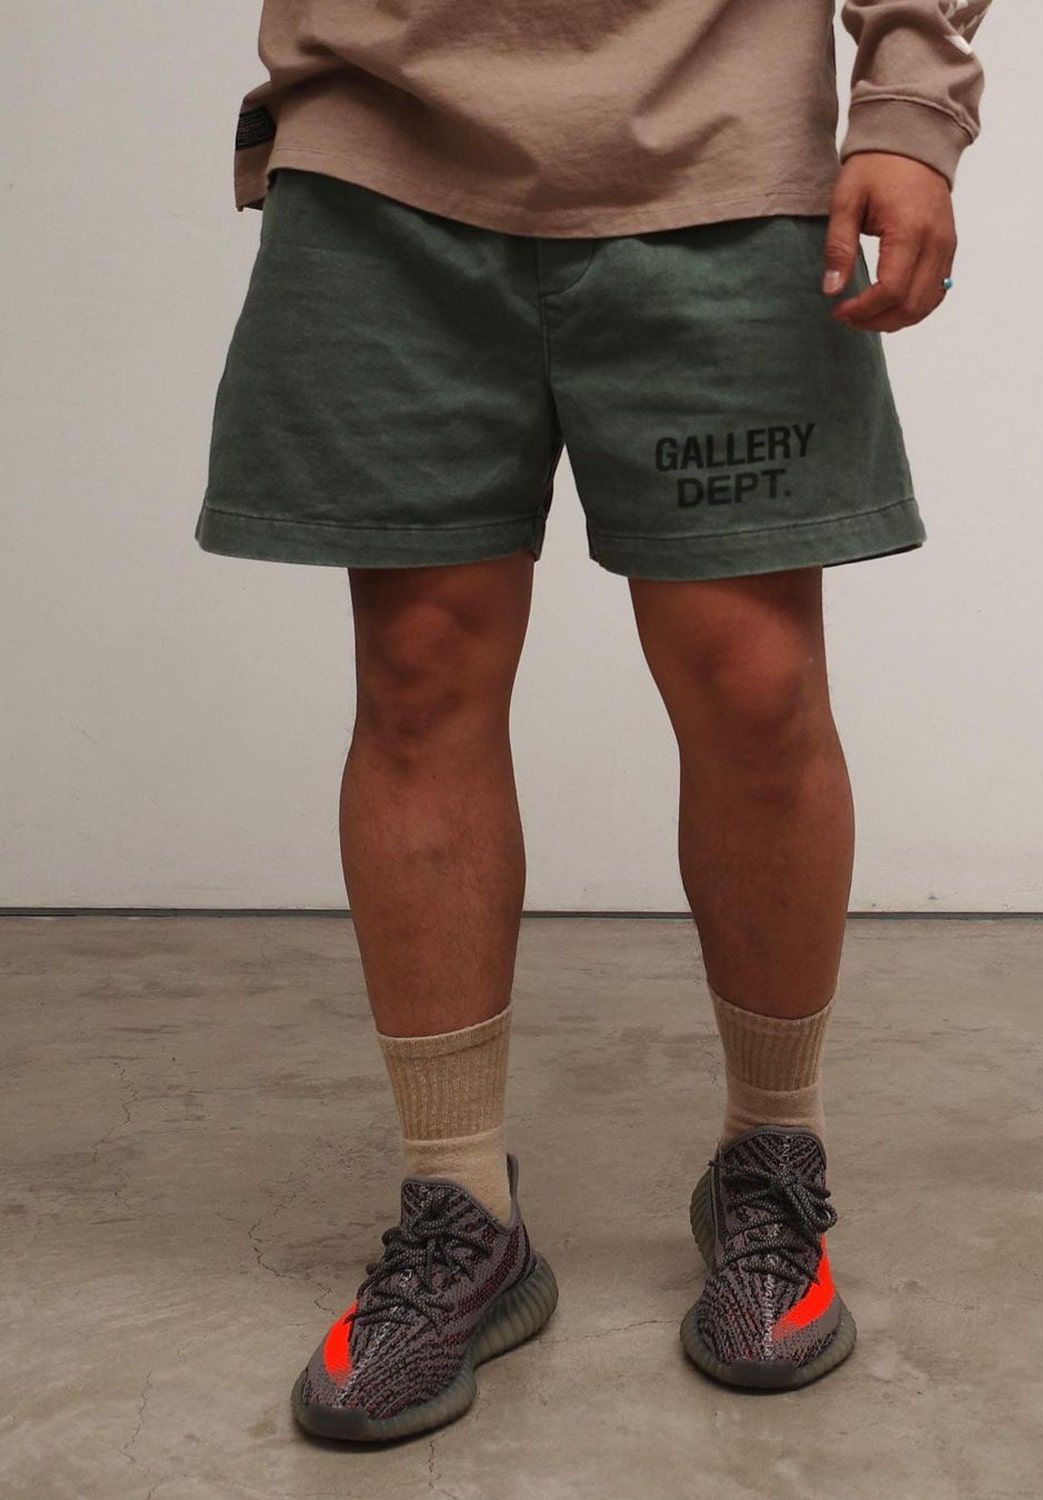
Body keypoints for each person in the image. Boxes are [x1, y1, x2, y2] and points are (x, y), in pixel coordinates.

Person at [195, 0, 993, 1442]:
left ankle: (769, 1163)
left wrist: (909, 103)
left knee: (754, 686)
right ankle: (459, 1205)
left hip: (721, 154)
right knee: (419, 674)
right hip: (380, 149)